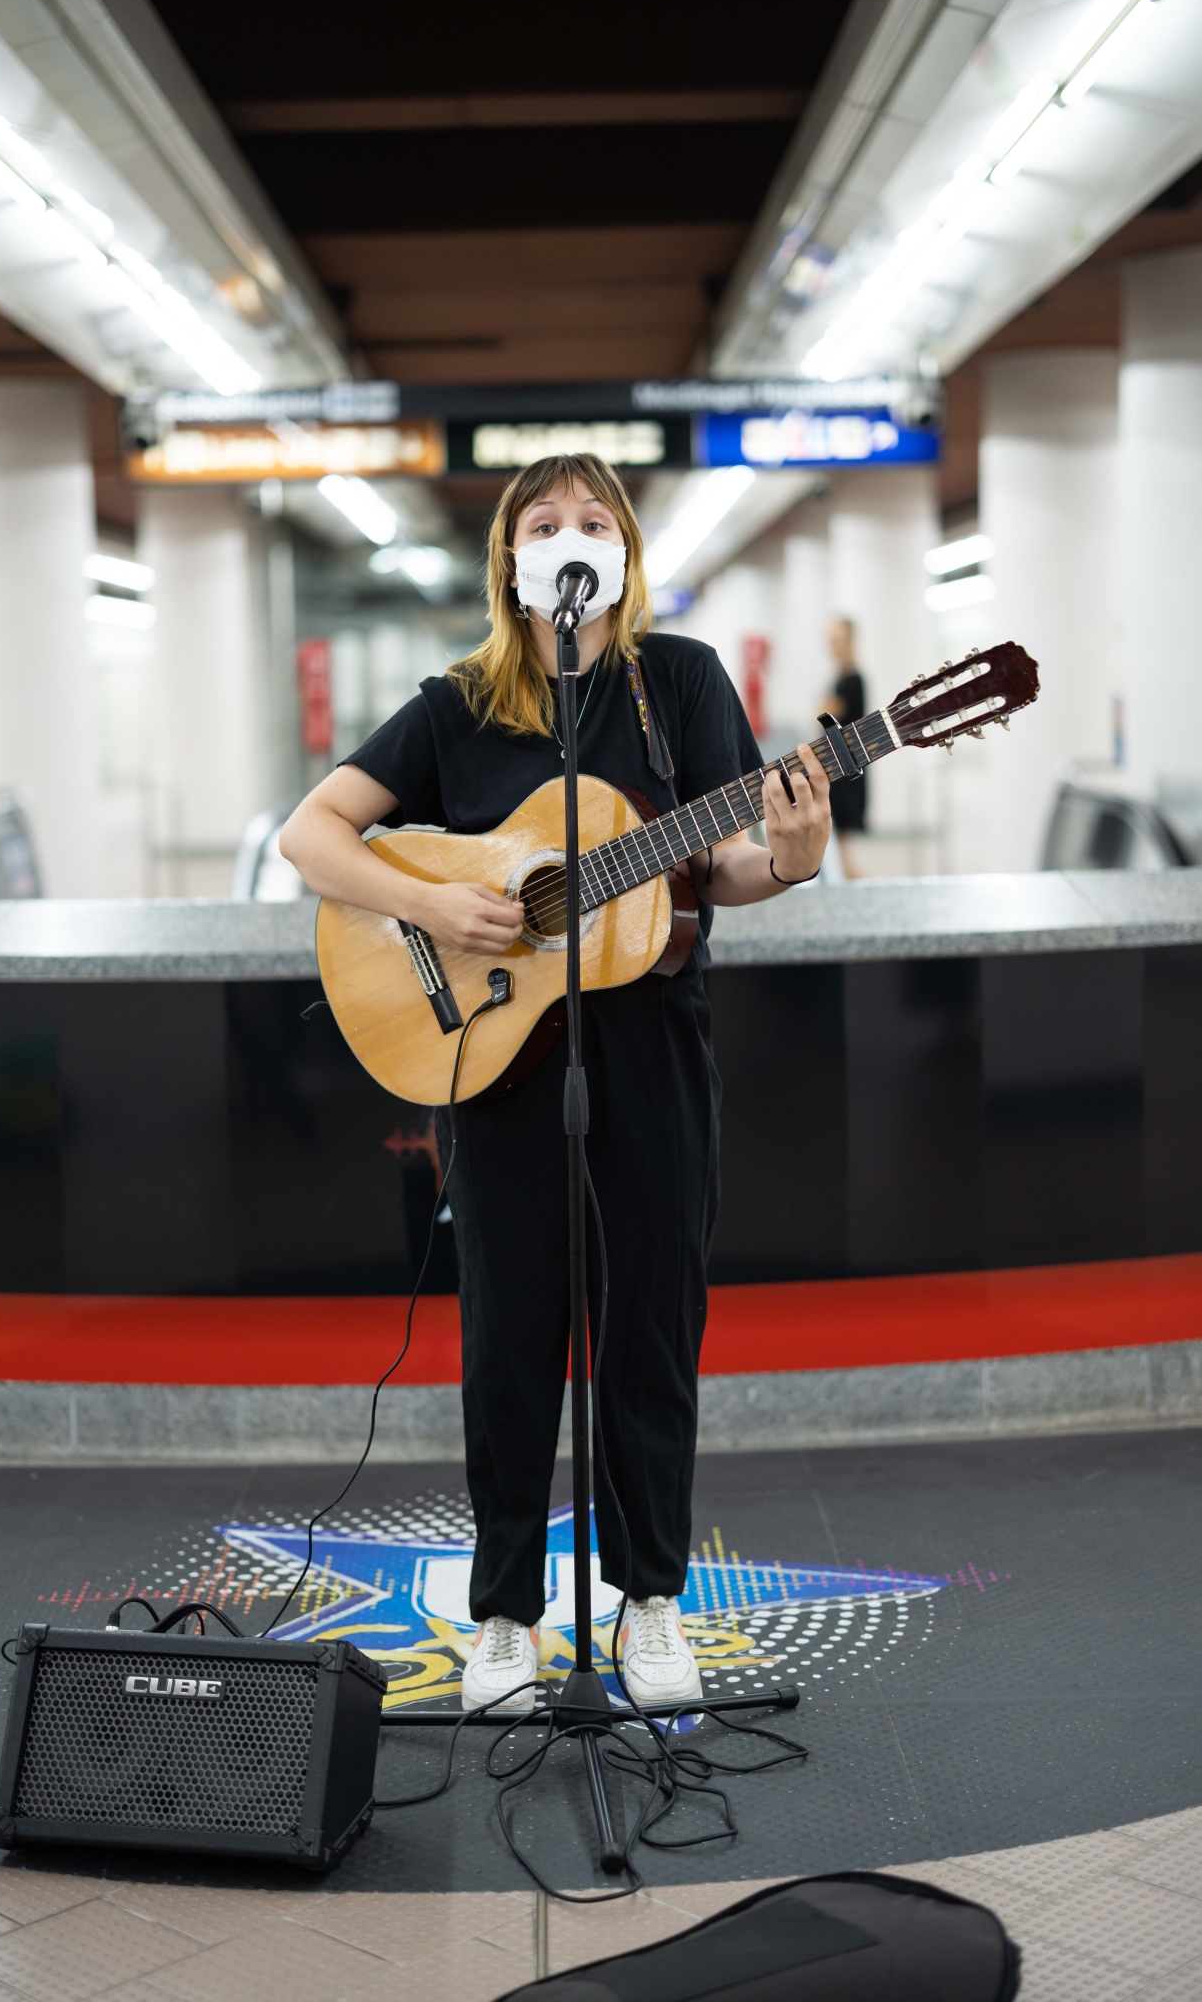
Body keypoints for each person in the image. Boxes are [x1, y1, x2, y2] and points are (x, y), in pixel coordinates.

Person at [280, 455, 831, 1714]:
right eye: (545, 523)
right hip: (494, 1054)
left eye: (594, 520)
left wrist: (787, 861)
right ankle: (506, 1616)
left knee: (649, 1322)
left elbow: (722, 861)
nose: (570, 537)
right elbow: (310, 832)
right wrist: (430, 901)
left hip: (652, 1045)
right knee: (512, 1337)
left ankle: (648, 1600)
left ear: (626, 549)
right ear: (508, 558)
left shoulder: (676, 682)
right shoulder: (457, 703)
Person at [820, 616, 867, 876]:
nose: (832, 645)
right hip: (838, 766)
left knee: (844, 846)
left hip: (847, 769)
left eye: (837, 639)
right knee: (840, 847)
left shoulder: (852, 679)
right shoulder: (840, 678)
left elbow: (826, 711)